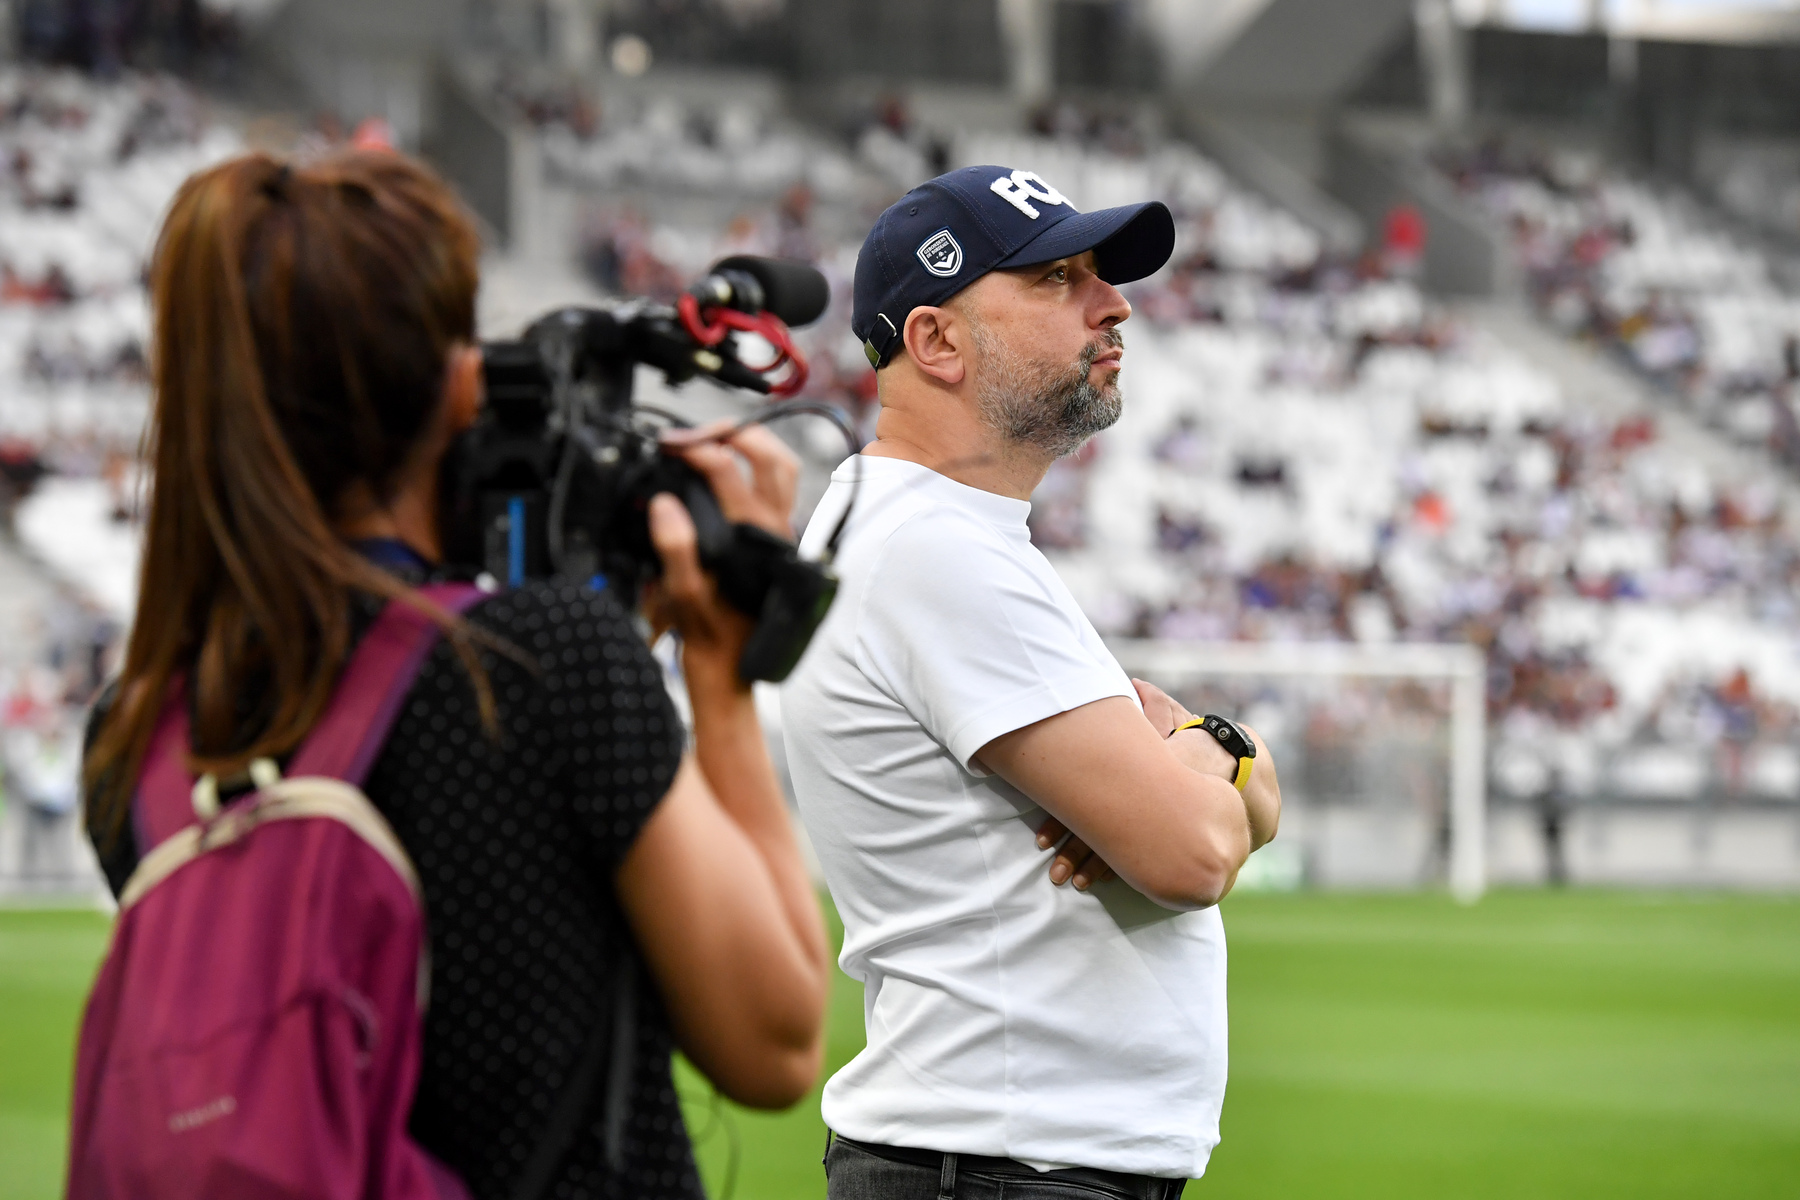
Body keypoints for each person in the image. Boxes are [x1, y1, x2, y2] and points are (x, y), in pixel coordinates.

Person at [79, 150, 830, 1200]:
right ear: (462, 388)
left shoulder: (137, 733)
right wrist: (717, 667)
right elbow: (777, 1041)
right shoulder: (542, 665)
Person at [783, 166, 1284, 1198]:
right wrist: (1199, 766)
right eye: (1058, 278)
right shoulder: (934, 548)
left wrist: (1204, 749)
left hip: (999, 1160)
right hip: (1002, 1166)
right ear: (936, 342)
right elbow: (1194, 852)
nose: (1115, 305)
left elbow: (1230, 804)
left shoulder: (924, 531)